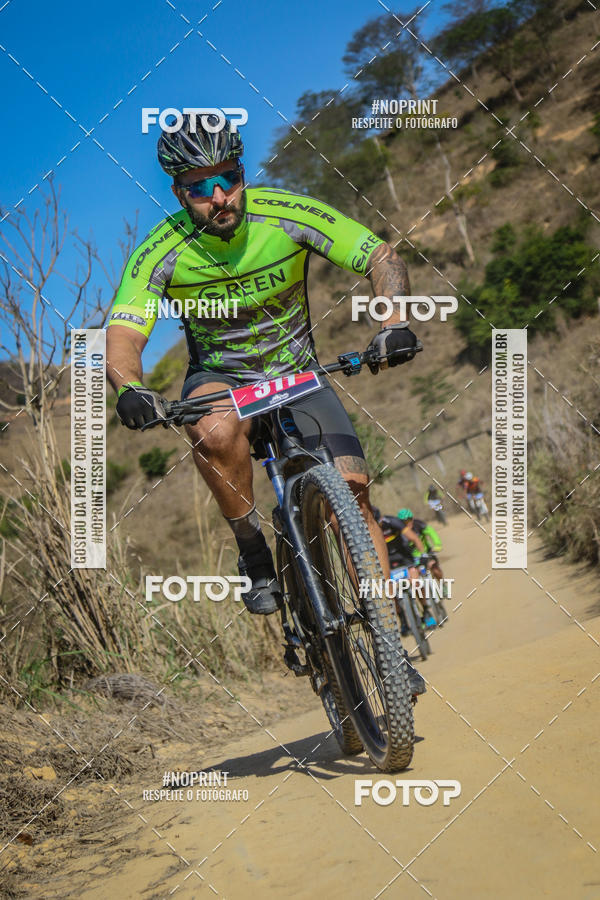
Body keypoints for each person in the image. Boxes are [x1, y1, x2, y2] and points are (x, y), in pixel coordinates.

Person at [106, 113, 425, 692]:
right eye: (199, 187)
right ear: (178, 193)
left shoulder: (286, 213)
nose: (218, 196)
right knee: (212, 431)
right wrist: (130, 388)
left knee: (352, 490)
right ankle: (252, 546)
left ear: (242, 174)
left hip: (298, 376)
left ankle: (385, 638)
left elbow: (379, 255)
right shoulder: (161, 251)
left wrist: (394, 322)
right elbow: (125, 332)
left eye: (228, 177)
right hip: (221, 380)